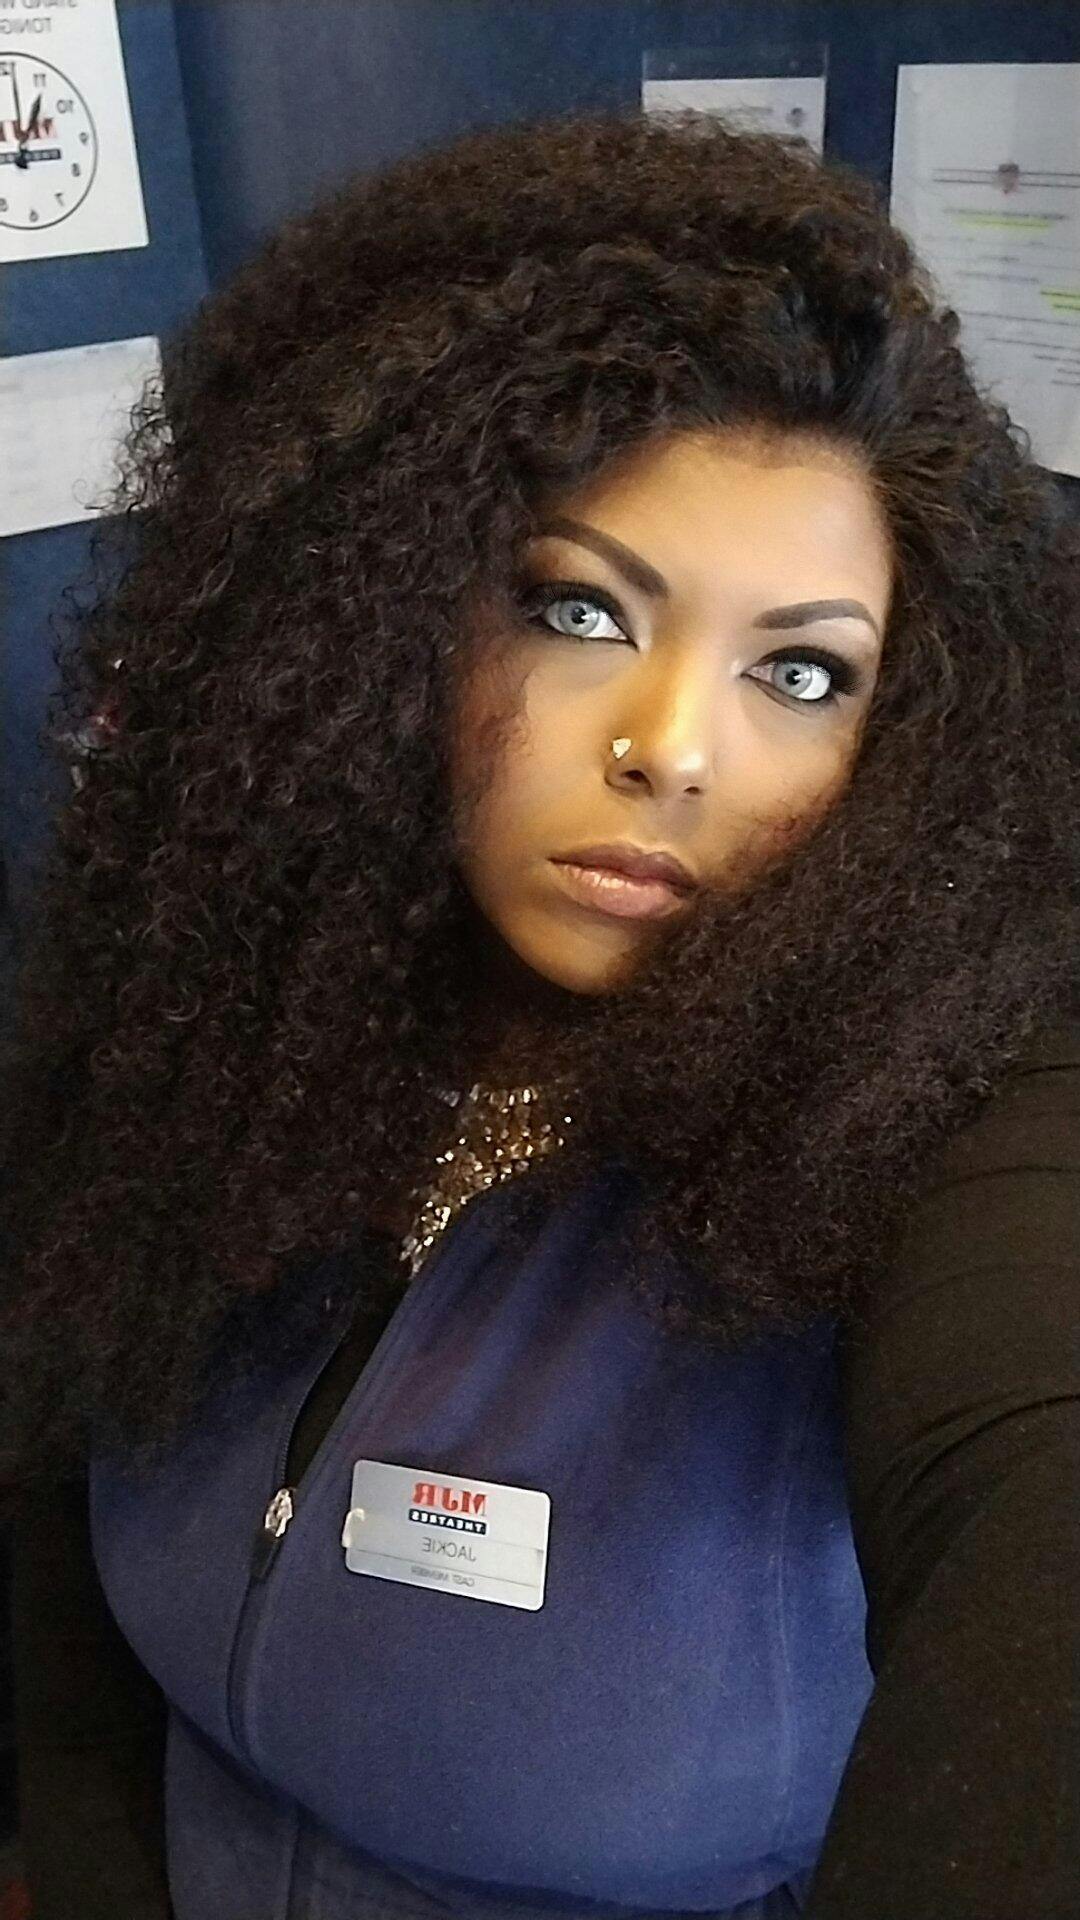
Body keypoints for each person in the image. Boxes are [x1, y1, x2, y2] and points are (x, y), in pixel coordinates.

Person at [1, 105, 1078, 1920]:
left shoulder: (939, 1122)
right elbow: (70, 1618)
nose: (672, 748)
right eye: (580, 612)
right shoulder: (221, 1028)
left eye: (800, 671)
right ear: (383, 609)